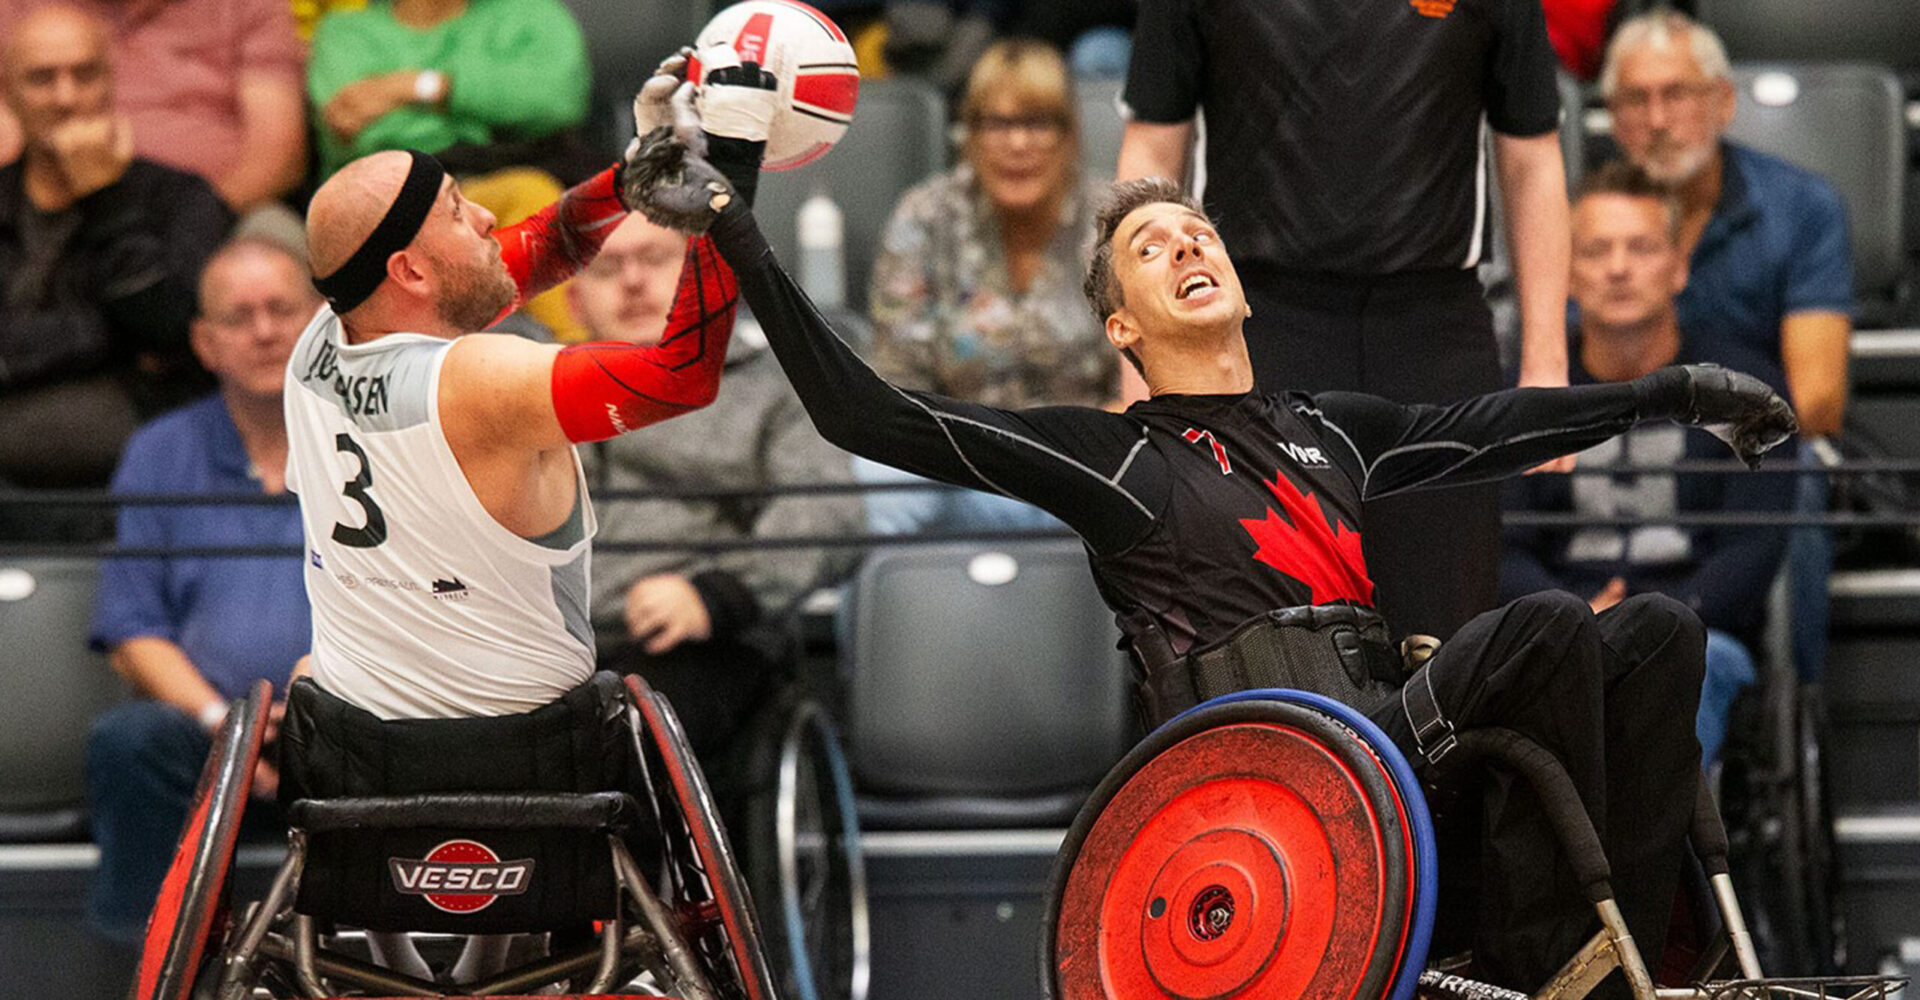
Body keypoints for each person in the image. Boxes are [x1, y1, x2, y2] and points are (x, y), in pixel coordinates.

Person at [627, 95, 1797, 990]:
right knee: (1546, 625)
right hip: (1276, 766)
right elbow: (866, 415)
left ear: (1239, 285)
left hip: (1395, 729)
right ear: (1121, 325)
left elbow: (1498, 425)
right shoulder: (1111, 454)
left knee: (1658, 631)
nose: (1187, 246)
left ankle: (1635, 951)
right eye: (1151, 248)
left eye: (1198, 233)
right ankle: (1550, 968)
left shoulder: (1333, 430)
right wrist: (734, 222)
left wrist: (1680, 391)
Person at [280, 49, 766, 982]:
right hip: (533, 766)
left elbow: (523, 257)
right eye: (464, 212)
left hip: (347, 757)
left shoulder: (319, 343)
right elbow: (681, 376)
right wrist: (720, 195)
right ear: (411, 269)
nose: (490, 218)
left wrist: (627, 180)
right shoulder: (484, 381)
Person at [1114, 0, 1574, 643]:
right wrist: (1143, 359)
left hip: (1433, 332)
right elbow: (1153, 150)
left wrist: (1547, 366)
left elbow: (1531, 159)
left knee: (1444, 627)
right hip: (1256, 327)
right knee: (1255, 619)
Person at [1502, 163, 1792, 766]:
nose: (1617, 268)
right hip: (1561, 633)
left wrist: (1651, 624)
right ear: (1568, 272)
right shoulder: (1527, 394)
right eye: (1595, 250)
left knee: (1690, 668)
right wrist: (1576, 621)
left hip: (1700, 635)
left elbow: (1752, 553)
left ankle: (1655, 857)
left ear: (1679, 266)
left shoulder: (1745, 391)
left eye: (1640, 247)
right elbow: (1500, 552)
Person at [1600, 9, 1853, 685]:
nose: (1657, 119)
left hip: (1750, 452)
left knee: (1793, 485)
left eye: (1676, 94)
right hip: (1619, 441)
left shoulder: (1801, 208)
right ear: (1613, 118)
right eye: (1636, 99)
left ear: (1722, 103)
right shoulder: (1588, 220)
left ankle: (1785, 698)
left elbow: (1818, 402)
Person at [83, 237, 318, 944]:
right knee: (130, 741)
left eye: (282, 308)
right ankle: (146, 965)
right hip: (206, 734)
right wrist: (227, 724)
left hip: (345, 727)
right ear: (205, 343)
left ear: (319, 323)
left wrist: (318, 710)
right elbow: (131, 632)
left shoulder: (374, 443)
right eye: (239, 316)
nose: (265, 331)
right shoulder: (161, 452)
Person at [570, 211, 860, 761]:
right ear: (574, 303)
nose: (633, 280)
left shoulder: (774, 391)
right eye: (608, 267)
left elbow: (829, 516)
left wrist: (719, 593)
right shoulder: (532, 394)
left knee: (619, 740)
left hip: (698, 641)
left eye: (655, 259)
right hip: (548, 645)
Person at [862, 38, 1114, 534]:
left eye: (1039, 122)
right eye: (997, 124)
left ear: (1069, 135)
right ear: (969, 134)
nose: (1018, 144)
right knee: (872, 480)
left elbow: (1146, 386)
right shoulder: (926, 216)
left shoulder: (1115, 223)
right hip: (957, 470)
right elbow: (897, 383)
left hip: (1089, 474)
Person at [0, 5, 232, 495]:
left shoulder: (180, 198)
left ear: (111, 81)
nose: (67, 98)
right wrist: (104, 341)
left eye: (85, 75)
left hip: (143, 456)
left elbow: (176, 334)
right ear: (7, 92)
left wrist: (106, 201)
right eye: (42, 79)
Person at [307, 0, 595, 339]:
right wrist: (486, 109)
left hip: (515, 173)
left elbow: (555, 99)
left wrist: (414, 87)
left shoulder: (531, 14)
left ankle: (578, 360)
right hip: (395, 206)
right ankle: (578, 361)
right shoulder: (346, 34)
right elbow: (361, 129)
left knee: (531, 194)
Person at [0, 0, 306, 223]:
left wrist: (192, 221)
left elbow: (278, 156)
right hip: (42, 210)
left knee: (269, 232)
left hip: (215, 213)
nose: (65, 96)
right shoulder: (14, 8)